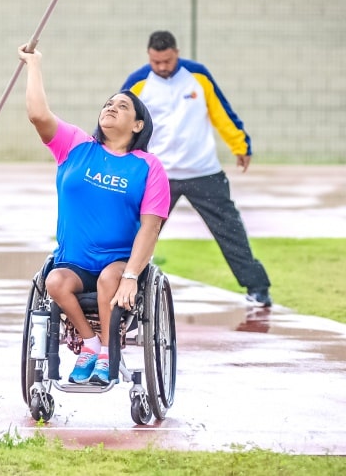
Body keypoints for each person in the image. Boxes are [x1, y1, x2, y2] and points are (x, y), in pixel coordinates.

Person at [18, 45, 170, 385]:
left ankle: (107, 352)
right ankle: (90, 343)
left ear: (138, 124)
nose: (111, 107)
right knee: (54, 282)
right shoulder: (75, 146)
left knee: (107, 280)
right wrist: (34, 65)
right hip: (74, 260)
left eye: (122, 106)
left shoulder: (148, 166)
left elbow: (151, 227)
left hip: (118, 262)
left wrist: (131, 275)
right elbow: (38, 115)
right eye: (108, 103)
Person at [121, 30, 272, 307]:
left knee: (230, 230)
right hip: (159, 176)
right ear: (149, 57)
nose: (163, 67)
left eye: (167, 60)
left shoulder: (198, 76)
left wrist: (240, 145)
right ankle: (126, 295)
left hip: (204, 172)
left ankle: (258, 288)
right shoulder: (138, 83)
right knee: (134, 233)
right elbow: (119, 122)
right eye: (157, 62)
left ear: (176, 53)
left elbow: (221, 112)